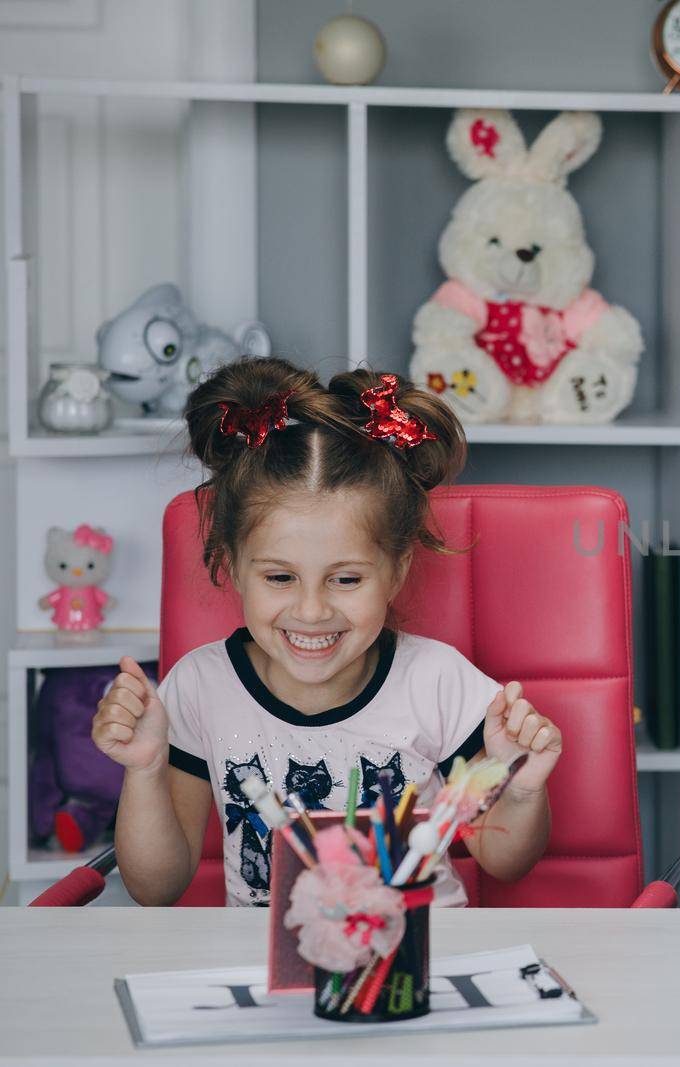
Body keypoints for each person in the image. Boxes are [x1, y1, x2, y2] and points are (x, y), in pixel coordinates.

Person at [89, 357, 562, 907]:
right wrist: (146, 769)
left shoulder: (437, 682)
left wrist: (521, 785)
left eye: (345, 579)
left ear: (398, 570)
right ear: (231, 565)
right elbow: (155, 886)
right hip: (269, 976)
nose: (311, 611)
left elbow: (504, 861)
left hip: (417, 969)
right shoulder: (199, 688)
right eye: (280, 577)